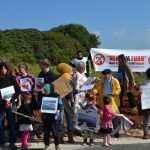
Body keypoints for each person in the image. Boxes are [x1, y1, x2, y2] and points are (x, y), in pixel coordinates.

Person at [94, 69, 121, 138]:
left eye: (106, 75)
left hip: (113, 101)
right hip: (103, 100)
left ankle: (116, 132)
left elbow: (118, 90)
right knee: (103, 117)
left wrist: (114, 93)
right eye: (104, 75)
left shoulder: (115, 81)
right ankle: (103, 131)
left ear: (110, 74)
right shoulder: (101, 81)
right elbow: (97, 88)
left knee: (114, 116)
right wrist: (95, 91)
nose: (105, 76)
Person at [0, 62, 21, 149]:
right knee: (0, 123)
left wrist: (11, 101)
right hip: (1, 104)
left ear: (7, 69)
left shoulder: (12, 77)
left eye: (4, 68)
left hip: (11, 104)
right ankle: (1, 142)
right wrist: (5, 101)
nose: (3, 70)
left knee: (11, 123)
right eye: (1, 68)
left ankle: (12, 142)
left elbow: (18, 90)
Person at [39, 83, 63, 150]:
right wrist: (40, 109)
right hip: (46, 117)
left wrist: (58, 110)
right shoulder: (43, 96)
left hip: (54, 117)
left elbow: (60, 104)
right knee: (46, 132)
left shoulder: (56, 95)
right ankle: (46, 145)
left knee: (55, 132)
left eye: (46, 90)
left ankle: (57, 145)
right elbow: (40, 104)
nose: (45, 91)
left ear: (50, 89)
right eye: (44, 90)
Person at [56, 63, 75, 143]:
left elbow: (73, 89)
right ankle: (61, 137)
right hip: (61, 100)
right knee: (61, 119)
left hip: (68, 101)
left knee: (70, 118)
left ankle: (70, 136)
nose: (71, 72)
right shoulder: (58, 78)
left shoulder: (71, 78)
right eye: (69, 70)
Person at [138, 68, 150, 139]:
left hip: (146, 102)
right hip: (146, 102)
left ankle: (146, 133)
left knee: (146, 118)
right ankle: (145, 133)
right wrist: (141, 93)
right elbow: (140, 92)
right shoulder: (144, 81)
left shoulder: (143, 81)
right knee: (146, 117)